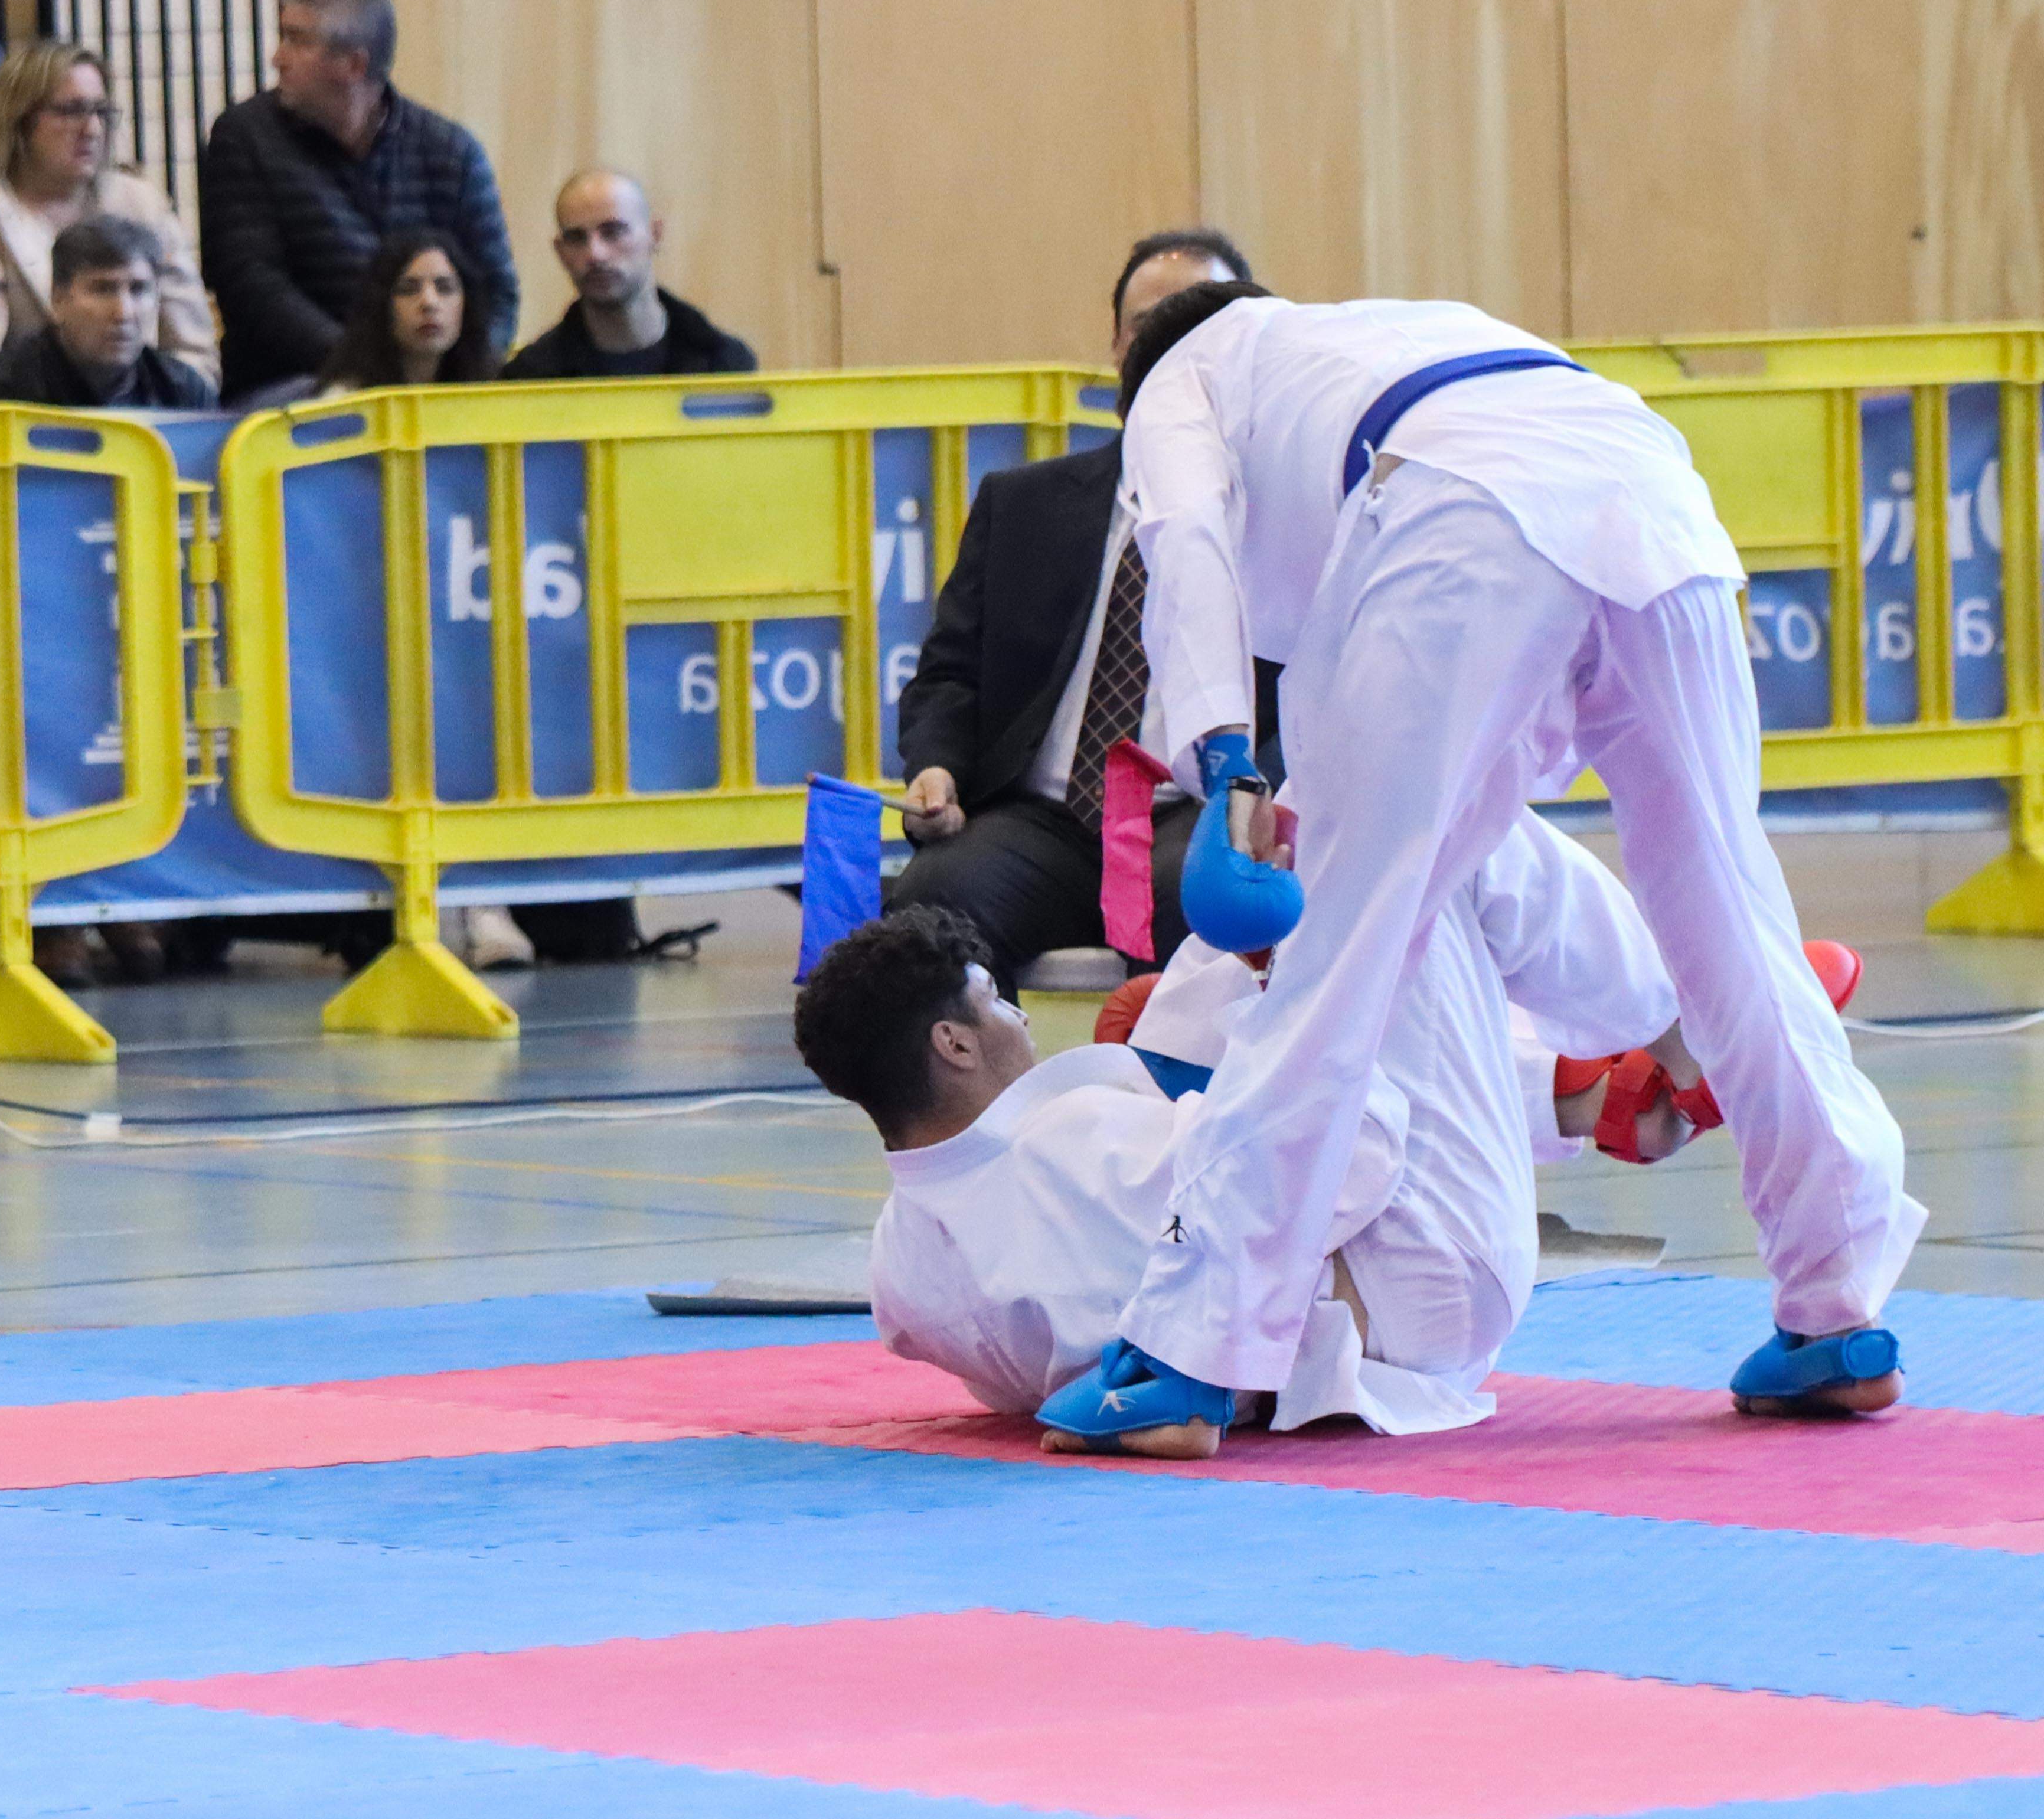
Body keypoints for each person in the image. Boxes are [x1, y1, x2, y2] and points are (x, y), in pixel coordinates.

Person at [1035, 284, 1927, 1454]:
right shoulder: (1375, 332)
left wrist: (1222, 762)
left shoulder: (1178, 378)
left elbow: (1187, 547)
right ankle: (1835, 1311)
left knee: (1337, 953)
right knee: (1728, 912)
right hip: (1655, 499)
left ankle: (1190, 1351)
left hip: (1463, 524)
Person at [796, 813, 1685, 1445]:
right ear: (953, 1043)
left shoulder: (900, 1271)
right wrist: (1294, 994)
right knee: (1407, 818)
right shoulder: (1081, 1143)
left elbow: (1046, 1342)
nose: (1022, 1020)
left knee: (1194, 991)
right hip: (1432, 1274)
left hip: (1344, 1317)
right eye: (997, 1002)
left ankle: (1585, 1096)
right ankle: (1680, 1013)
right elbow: (1351, 1158)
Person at [888, 230, 1261, 983]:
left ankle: (1176, 1097)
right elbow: (949, 675)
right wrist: (937, 769)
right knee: (932, 898)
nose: (1169, 343)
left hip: (1191, 805)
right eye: (1149, 322)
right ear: (1118, 345)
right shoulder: (1022, 503)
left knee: (1198, 889)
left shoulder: (1285, 517)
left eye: (1198, 322)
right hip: (1044, 820)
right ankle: (991, 1098)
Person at [196, 0, 515, 404]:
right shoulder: (246, 136)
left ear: (353, 64)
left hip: (436, 385)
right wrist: (366, 369)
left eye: (297, 40)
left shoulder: (452, 152)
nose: (278, 58)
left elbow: (496, 290)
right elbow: (250, 285)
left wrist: (460, 370)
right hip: (297, 383)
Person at [0, 41, 214, 380]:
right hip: (25, 419)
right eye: (71, 112)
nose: (91, 129)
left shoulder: (141, 204)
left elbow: (194, 352)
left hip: (146, 417)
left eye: (101, 112)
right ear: (18, 121)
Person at [500, 169, 756, 380]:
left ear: (654, 235)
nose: (596, 254)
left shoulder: (724, 366)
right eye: (576, 238)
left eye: (613, 232)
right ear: (561, 252)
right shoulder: (531, 380)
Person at [0, 216, 216, 410]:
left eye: (139, 290)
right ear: (58, 298)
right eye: (103, 290)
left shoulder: (184, 393)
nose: (124, 312)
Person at [307, 227, 504, 396]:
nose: (429, 303)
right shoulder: (344, 400)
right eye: (409, 290)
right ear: (383, 307)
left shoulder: (489, 394)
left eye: (445, 288)